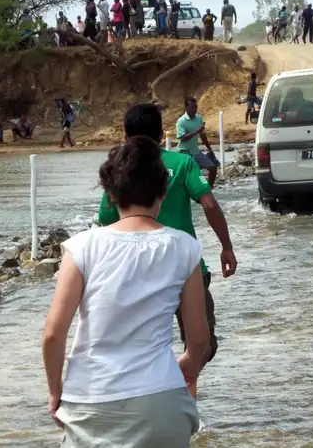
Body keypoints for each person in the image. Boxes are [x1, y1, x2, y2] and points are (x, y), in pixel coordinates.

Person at [43, 136, 208, 446]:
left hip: (91, 401)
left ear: (111, 194)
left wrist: (55, 391)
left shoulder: (82, 247)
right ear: (163, 190)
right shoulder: (186, 248)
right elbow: (199, 340)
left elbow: (53, 333)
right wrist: (181, 368)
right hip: (162, 402)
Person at [98, 104, 237, 400]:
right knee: (201, 345)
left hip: (138, 273)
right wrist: (226, 247)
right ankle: (182, 398)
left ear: (125, 136)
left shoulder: (121, 170)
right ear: (162, 135)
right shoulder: (182, 164)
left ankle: (161, 396)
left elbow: (106, 219)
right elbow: (210, 205)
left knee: (144, 344)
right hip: (186, 270)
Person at [177, 97, 220, 189]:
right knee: (188, 175)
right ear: (186, 108)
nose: (194, 109)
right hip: (184, 152)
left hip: (195, 151)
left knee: (212, 167)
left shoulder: (199, 118)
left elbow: (202, 135)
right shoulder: (181, 121)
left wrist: (209, 148)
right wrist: (197, 131)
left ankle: (208, 188)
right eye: (192, 107)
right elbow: (182, 138)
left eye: (195, 107)